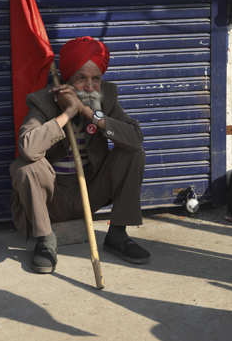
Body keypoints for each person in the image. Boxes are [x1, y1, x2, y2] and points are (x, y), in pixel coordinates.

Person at [9, 36, 150, 273]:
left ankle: (118, 234)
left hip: (90, 191)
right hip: (53, 198)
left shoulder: (106, 98)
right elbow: (28, 148)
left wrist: (87, 112)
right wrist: (67, 113)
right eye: (81, 78)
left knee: (133, 154)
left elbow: (135, 138)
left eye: (96, 79)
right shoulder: (43, 101)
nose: (89, 86)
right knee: (26, 166)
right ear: (67, 79)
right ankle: (45, 240)